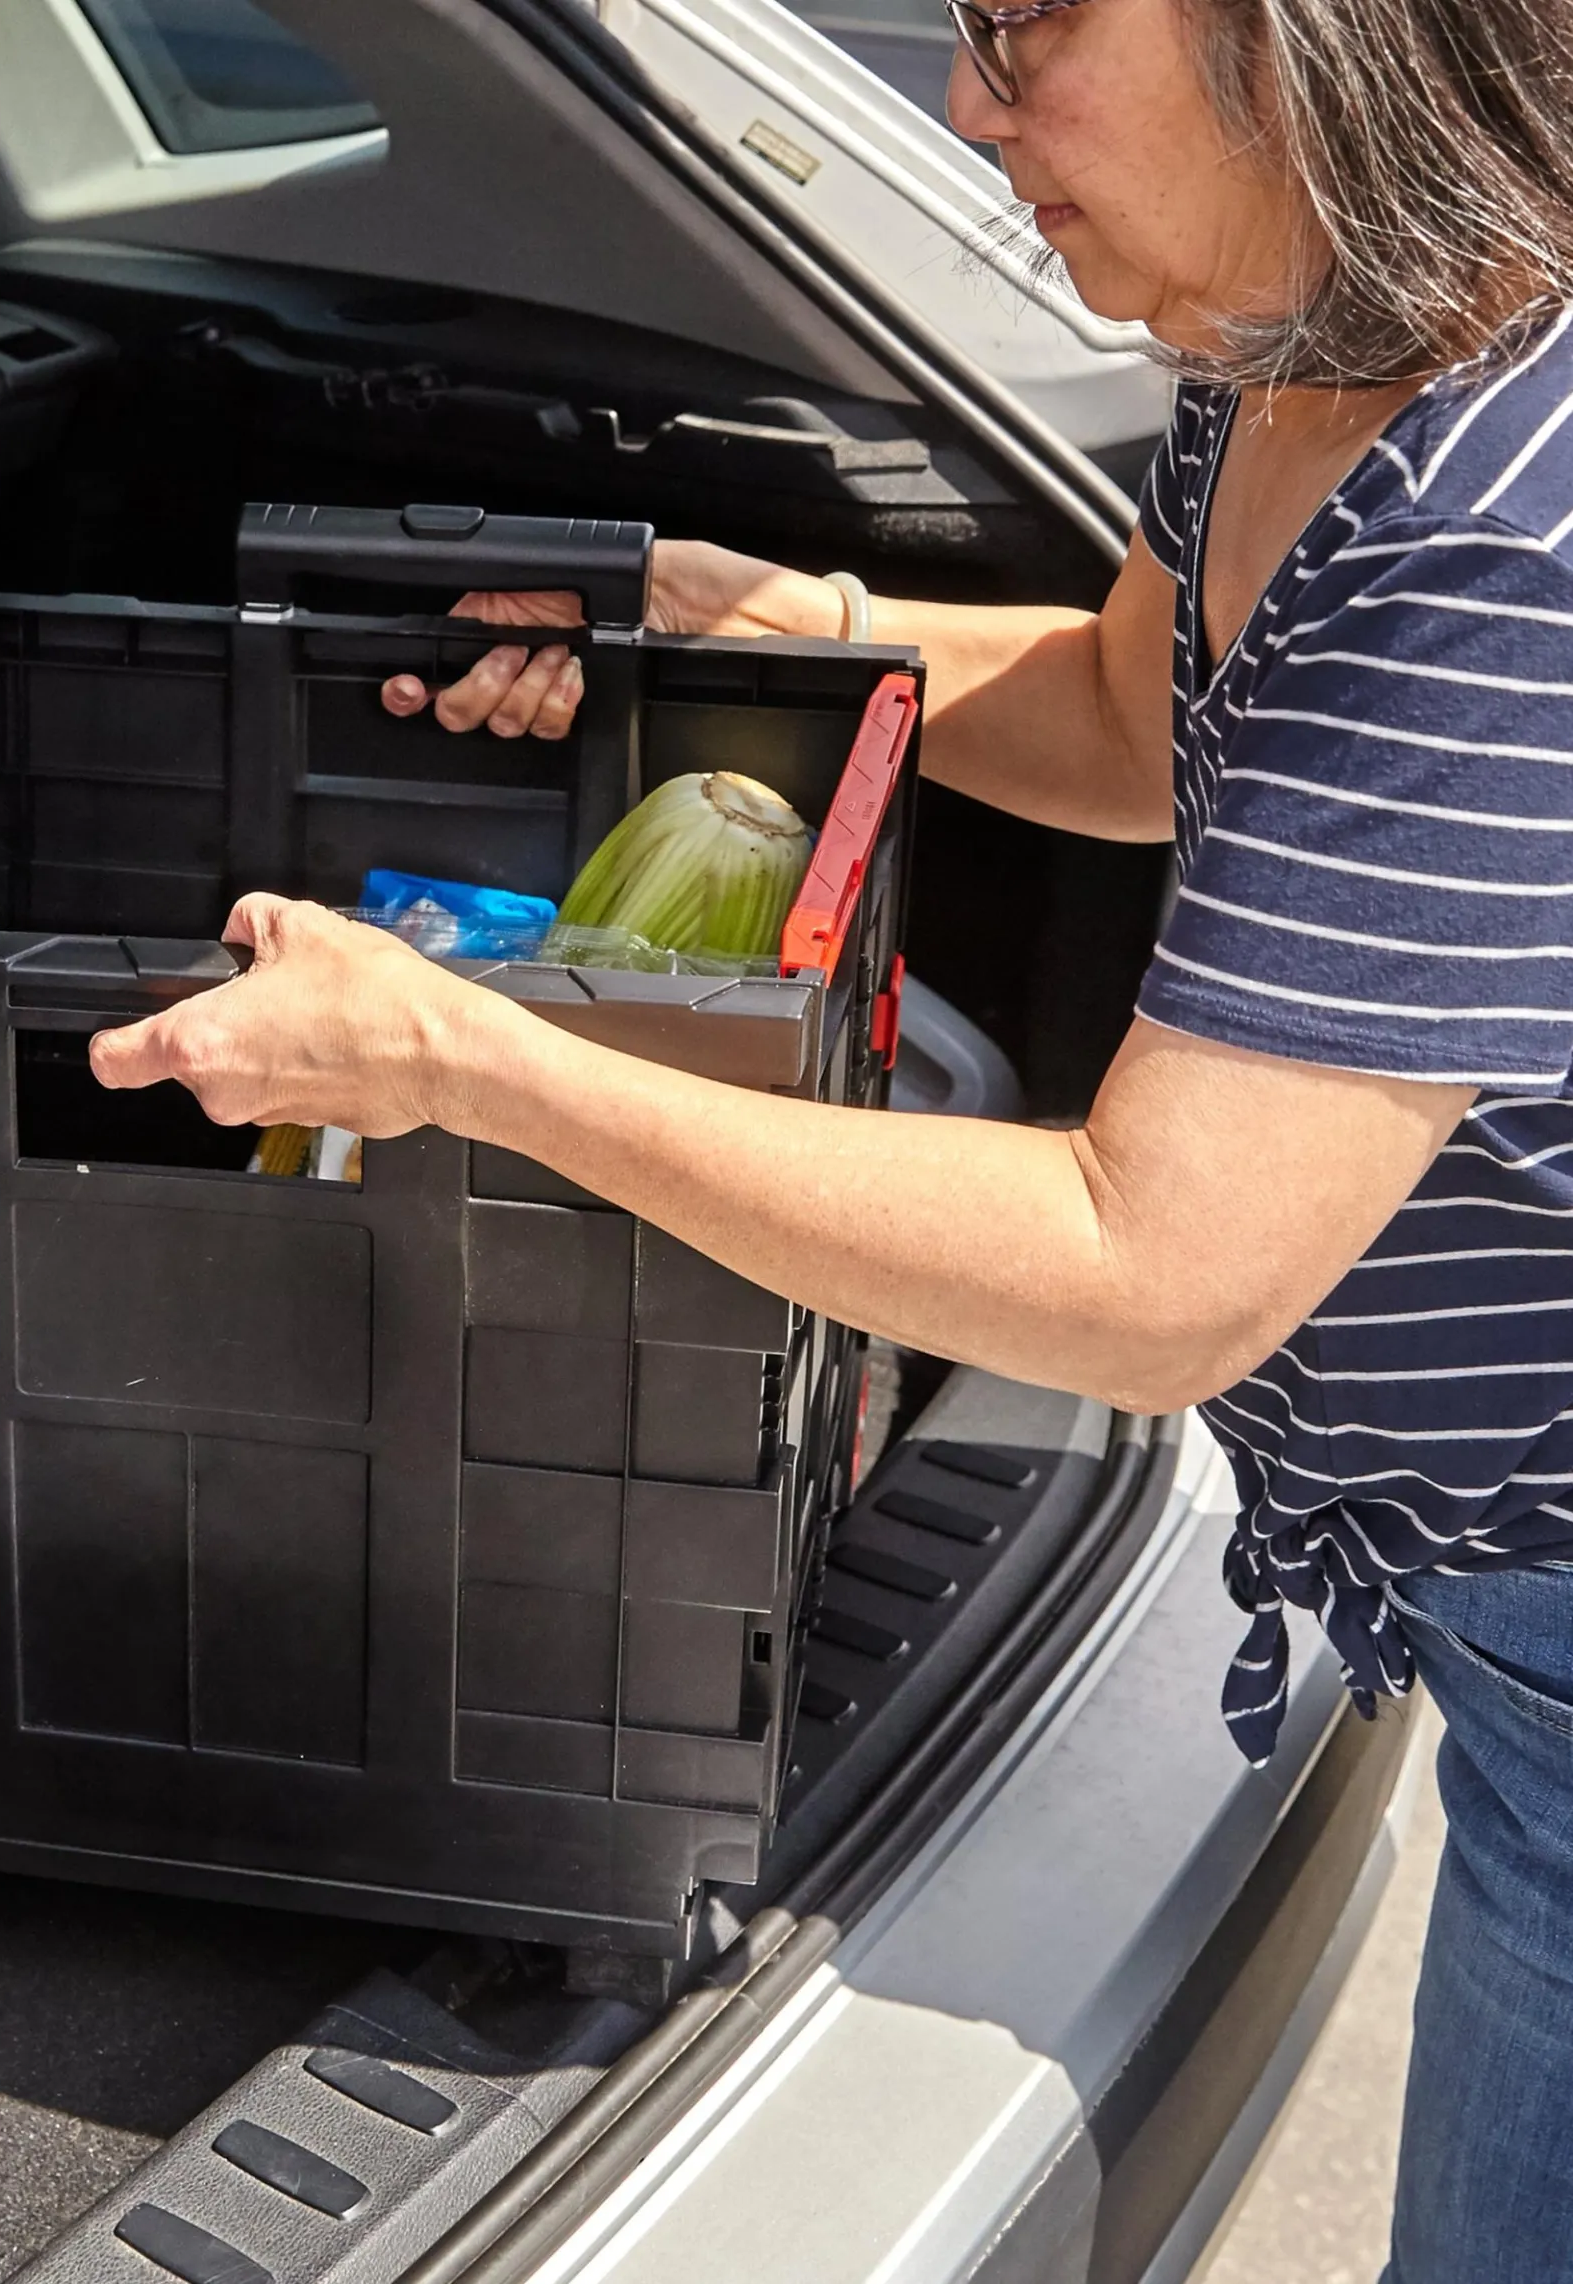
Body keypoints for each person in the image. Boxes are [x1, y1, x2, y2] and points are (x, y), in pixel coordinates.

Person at [90, 2, 1573, 2272]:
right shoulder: (1298, 340)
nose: (968, 104)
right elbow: (1137, 709)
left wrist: (463, 1057)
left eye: (1034, 24)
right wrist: (785, 622)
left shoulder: (1498, 538)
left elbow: (1145, 1269)